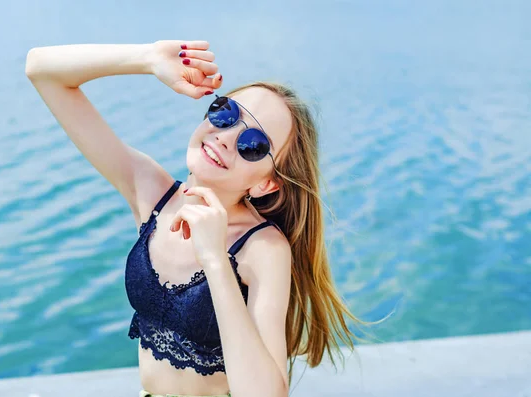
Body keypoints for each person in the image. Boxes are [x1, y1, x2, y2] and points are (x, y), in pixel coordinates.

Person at [25, 40, 381, 397]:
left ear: (265, 183)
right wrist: (147, 59)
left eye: (253, 144)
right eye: (225, 113)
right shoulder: (152, 193)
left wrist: (215, 260)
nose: (225, 137)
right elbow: (42, 70)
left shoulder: (262, 247)